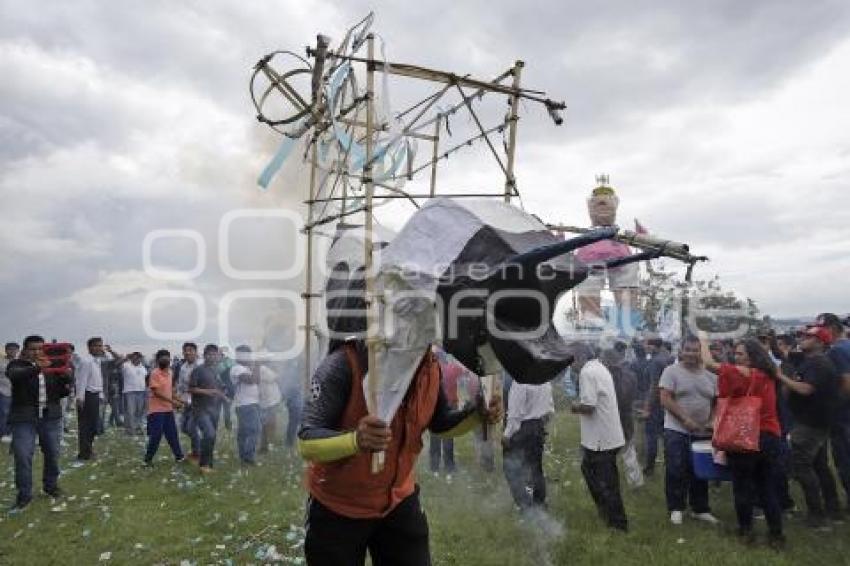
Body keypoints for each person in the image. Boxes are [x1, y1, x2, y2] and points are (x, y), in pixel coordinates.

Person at [298, 340, 501, 565]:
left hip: (398, 501)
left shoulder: (431, 367)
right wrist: (355, 440)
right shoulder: (345, 363)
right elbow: (306, 442)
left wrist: (477, 414)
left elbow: (440, 425)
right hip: (339, 507)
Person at [701, 336, 785, 546]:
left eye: (740, 354)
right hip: (770, 436)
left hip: (744, 435)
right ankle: (776, 534)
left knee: (742, 487)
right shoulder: (768, 374)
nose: (735, 357)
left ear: (751, 357)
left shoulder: (738, 372)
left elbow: (709, 363)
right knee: (767, 487)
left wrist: (703, 340)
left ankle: (746, 531)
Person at [778, 325, 843, 529]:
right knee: (819, 466)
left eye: (809, 336)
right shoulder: (811, 361)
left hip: (810, 423)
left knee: (801, 466)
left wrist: (780, 377)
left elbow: (806, 389)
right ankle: (833, 511)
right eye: (803, 335)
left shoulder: (819, 364)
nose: (803, 338)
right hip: (813, 421)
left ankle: (817, 516)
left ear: (820, 342)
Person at [6, 335, 73, 510]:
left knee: (52, 453)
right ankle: (24, 495)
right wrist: (37, 368)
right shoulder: (16, 365)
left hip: (50, 417)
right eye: (32, 349)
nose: (37, 352)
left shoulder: (54, 365)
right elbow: (15, 376)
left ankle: (51, 486)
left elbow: (62, 392)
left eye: (40, 348)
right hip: (24, 418)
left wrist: (66, 377)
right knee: (23, 456)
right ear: (25, 350)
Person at [658, 336, 719, 525]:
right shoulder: (671, 371)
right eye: (688, 350)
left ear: (701, 352)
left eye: (695, 350)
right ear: (681, 351)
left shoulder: (711, 375)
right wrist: (685, 419)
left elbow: (718, 401)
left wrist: (712, 420)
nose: (691, 354)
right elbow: (665, 398)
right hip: (676, 429)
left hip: (703, 431)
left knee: (699, 470)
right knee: (676, 468)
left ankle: (700, 508)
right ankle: (676, 508)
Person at [570, 343, 629, 531]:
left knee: (606, 482)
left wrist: (575, 406)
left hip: (601, 440)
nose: (569, 364)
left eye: (569, 360)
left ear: (578, 357)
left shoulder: (587, 373)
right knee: (591, 472)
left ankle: (618, 524)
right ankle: (607, 514)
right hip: (604, 436)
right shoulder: (598, 366)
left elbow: (589, 406)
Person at [502, 380, 553, 511]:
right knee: (536, 467)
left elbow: (515, 414)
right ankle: (539, 503)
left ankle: (525, 505)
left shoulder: (520, 381)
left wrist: (507, 434)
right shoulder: (545, 380)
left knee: (512, 468)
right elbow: (549, 410)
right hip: (538, 426)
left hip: (522, 429)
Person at [816, 313, 850, 510]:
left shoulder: (836, 351)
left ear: (830, 329)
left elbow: (846, 384)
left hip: (843, 416)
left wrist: (832, 406)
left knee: (844, 462)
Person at [600, 342, 643, 488]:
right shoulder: (630, 375)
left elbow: (619, 397)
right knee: (629, 452)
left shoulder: (607, 377)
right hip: (626, 416)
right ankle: (635, 482)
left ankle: (609, 482)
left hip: (613, 417)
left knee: (610, 453)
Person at [74, 337, 118, 461]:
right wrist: (80, 398)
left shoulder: (96, 361)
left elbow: (112, 361)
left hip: (95, 395)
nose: (99, 348)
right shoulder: (86, 361)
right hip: (86, 396)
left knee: (93, 426)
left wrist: (101, 395)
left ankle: (88, 449)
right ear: (89, 347)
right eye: (96, 346)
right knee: (86, 426)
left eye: (101, 346)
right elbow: (81, 381)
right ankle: (84, 453)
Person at [188, 344, 227, 474]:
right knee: (209, 434)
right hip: (200, 409)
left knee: (212, 437)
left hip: (214, 409)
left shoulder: (215, 370)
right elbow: (191, 389)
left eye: (215, 354)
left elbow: (219, 389)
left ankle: (208, 464)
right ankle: (203, 465)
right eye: (209, 354)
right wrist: (208, 392)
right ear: (204, 355)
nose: (212, 356)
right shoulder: (198, 370)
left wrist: (225, 397)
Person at [144, 349, 185, 465]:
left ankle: (179, 456)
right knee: (156, 435)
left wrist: (181, 400)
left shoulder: (170, 372)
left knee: (172, 434)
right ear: (157, 360)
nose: (165, 359)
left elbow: (169, 391)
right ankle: (148, 460)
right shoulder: (154, 373)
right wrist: (173, 402)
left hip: (168, 410)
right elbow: (156, 392)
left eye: (167, 357)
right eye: (162, 357)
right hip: (156, 410)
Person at [641, 338, 674, 476]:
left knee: (651, 437)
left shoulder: (656, 362)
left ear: (653, 346)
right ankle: (671, 465)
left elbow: (654, 386)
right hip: (668, 402)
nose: (644, 347)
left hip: (656, 405)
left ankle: (649, 468)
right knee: (666, 437)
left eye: (647, 344)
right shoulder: (669, 357)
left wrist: (647, 407)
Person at [430, 348, 462, 478]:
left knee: (435, 438)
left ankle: (434, 468)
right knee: (448, 438)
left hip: (434, 406)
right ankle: (449, 468)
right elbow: (464, 370)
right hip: (450, 406)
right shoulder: (452, 369)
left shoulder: (432, 371)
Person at [231, 345, 262, 466]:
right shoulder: (236, 368)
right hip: (246, 405)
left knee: (244, 432)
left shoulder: (247, 368)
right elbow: (252, 380)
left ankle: (244, 456)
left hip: (250, 403)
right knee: (255, 429)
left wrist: (255, 366)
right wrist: (258, 365)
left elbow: (257, 380)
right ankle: (248, 457)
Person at [176, 342, 201, 461]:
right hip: (186, 400)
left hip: (198, 402)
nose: (188, 352)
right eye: (186, 350)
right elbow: (181, 385)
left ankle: (198, 452)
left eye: (191, 350)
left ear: (196, 352)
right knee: (183, 428)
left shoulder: (201, 366)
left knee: (191, 427)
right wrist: (179, 399)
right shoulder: (183, 367)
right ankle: (198, 446)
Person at [121, 352, 148, 436]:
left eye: (139, 358)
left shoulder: (143, 367)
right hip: (129, 392)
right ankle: (129, 430)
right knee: (130, 412)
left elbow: (146, 378)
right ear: (132, 358)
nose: (137, 359)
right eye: (135, 357)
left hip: (141, 392)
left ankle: (137, 428)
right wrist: (125, 358)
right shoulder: (126, 365)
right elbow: (118, 362)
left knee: (139, 411)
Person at [258, 362, 282, 454]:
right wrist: (276, 369)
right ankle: (264, 446)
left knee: (267, 424)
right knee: (267, 424)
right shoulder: (263, 368)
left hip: (268, 400)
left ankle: (265, 446)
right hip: (268, 401)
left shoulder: (263, 368)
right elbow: (277, 378)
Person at [0, 342, 20, 442]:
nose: (12, 351)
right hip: (3, 390)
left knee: (14, 413)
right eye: (10, 349)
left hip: (17, 392)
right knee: (4, 412)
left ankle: (10, 432)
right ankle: (3, 433)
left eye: (14, 349)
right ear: (6, 350)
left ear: (17, 351)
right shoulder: (1, 361)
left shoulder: (20, 362)